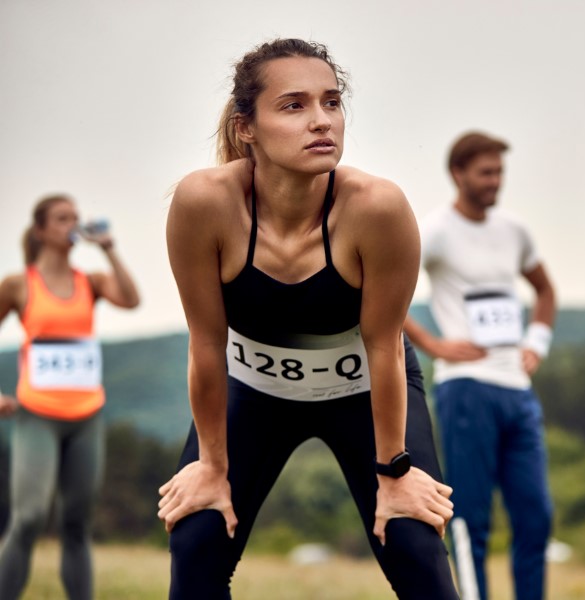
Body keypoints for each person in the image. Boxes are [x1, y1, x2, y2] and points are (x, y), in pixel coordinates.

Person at [155, 39, 459, 599]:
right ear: (247, 128)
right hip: (253, 389)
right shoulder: (205, 203)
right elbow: (205, 346)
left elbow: (386, 347)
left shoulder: (377, 207)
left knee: (413, 540)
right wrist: (212, 467)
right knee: (197, 535)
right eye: (293, 106)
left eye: (332, 102)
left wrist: (393, 475)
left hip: (366, 387)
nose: (321, 121)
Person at [403, 131, 556, 600]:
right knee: (472, 517)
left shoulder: (514, 229)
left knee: (536, 516)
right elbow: (384, 291)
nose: (495, 181)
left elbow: (545, 290)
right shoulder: (435, 231)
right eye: (485, 172)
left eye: (499, 172)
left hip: (517, 388)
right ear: (458, 174)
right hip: (465, 387)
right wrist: (432, 344)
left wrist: (537, 342)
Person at [0, 196, 140, 600]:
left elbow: (131, 301)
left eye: (75, 218)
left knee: (77, 524)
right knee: (28, 518)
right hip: (37, 415)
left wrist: (110, 249)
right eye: (62, 219)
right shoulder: (18, 284)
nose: (72, 224)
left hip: (87, 416)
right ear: (41, 229)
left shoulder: (90, 282)